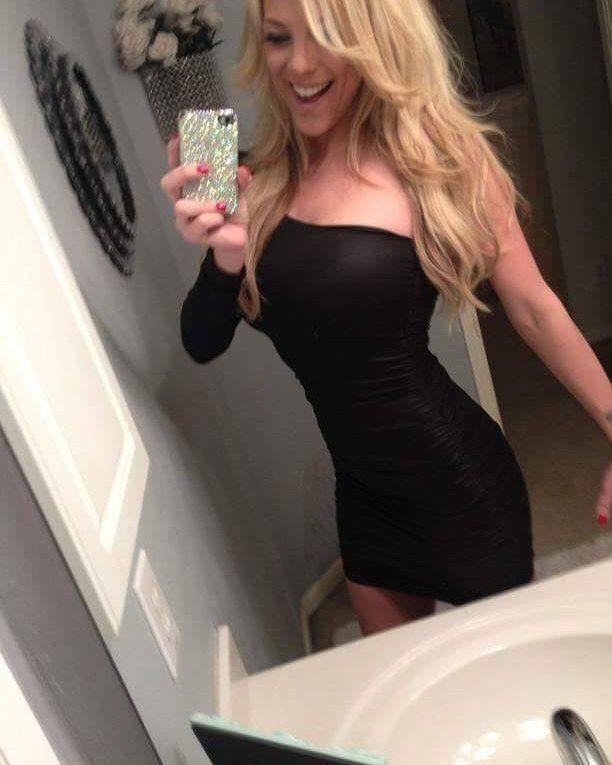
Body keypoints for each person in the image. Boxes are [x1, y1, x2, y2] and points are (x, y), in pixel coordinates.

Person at [161, 0, 612, 637]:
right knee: (397, 670)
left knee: (505, 664)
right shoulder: (258, 181)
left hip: (458, 487)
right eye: (280, 38)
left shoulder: (446, 165)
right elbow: (200, 340)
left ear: (378, 41)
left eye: (328, 36)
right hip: (364, 494)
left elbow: (535, 309)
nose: (300, 64)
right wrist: (225, 259)